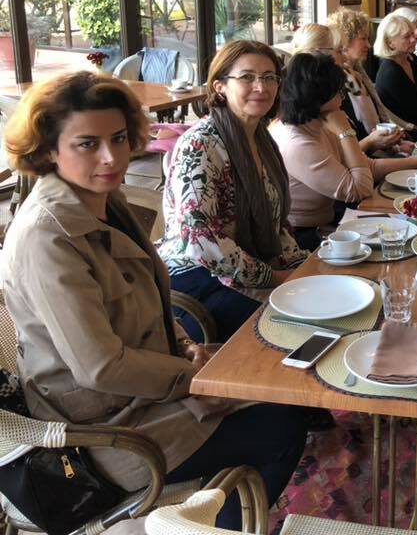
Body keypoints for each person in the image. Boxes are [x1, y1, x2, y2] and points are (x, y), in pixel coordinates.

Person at [0, 72, 307, 528]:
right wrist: (193, 378)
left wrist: (186, 346)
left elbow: (152, 303)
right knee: (281, 427)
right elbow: (100, 367)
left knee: (275, 379)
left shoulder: (103, 200)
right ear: (47, 150)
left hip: (142, 395)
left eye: (119, 138)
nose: (111, 157)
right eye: (87, 144)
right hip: (100, 432)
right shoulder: (48, 237)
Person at [158, 40, 309, 341]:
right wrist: (275, 277)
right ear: (220, 87)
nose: (261, 87)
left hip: (252, 263)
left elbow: (276, 222)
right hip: (197, 277)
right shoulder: (200, 144)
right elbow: (202, 242)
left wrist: (300, 264)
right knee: (300, 324)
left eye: (269, 77)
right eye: (247, 77)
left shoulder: (262, 138)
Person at [270, 53, 375, 251]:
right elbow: (360, 189)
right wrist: (346, 132)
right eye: (339, 93)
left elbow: (364, 166)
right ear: (318, 98)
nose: (342, 99)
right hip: (302, 236)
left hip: (328, 221)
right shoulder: (296, 142)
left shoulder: (316, 123)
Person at [325, 10, 417, 141]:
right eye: (363, 38)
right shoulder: (336, 84)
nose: (369, 45)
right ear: (345, 41)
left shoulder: (359, 73)